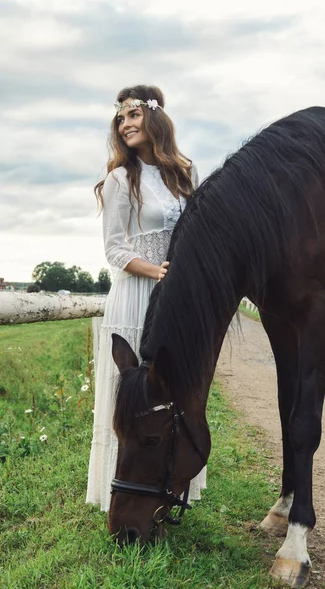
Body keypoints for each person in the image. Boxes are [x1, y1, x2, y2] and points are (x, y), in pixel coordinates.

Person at [86, 85, 206, 512]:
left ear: (154, 119)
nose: (126, 125)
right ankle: (118, 492)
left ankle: (174, 485)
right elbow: (114, 248)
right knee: (134, 397)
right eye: (121, 119)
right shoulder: (121, 178)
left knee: (177, 389)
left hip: (178, 300)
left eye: (133, 115)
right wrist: (156, 271)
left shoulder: (183, 172)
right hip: (137, 295)